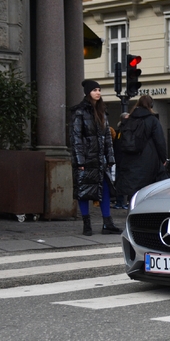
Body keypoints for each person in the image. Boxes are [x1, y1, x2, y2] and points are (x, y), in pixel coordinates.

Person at [70, 79, 121, 236]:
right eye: (95, 90)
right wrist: (80, 161)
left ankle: (107, 223)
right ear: (88, 93)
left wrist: (110, 158)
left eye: (99, 90)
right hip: (86, 158)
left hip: (100, 159)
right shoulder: (79, 112)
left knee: (104, 189)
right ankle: (87, 224)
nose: (98, 92)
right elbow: (76, 137)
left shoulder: (102, 111)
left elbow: (107, 137)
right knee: (84, 190)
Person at [115, 95, 168, 201]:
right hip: (148, 158)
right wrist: (163, 158)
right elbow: (160, 141)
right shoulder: (152, 120)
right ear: (151, 105)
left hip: (129, 159)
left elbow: (120, 141)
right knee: (148, 189)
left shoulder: (128, 120)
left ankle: (132, 210)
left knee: (133, 190)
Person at [111, 112, 129, 209]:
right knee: (120, 181)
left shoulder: (120, 131)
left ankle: (121, 201)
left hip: (121, 159)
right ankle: (120, 201)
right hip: (122, 160)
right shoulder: (122, 131)